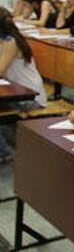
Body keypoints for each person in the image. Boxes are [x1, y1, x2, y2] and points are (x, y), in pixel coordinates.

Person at [0, 9, 47, 162]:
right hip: (13, 92)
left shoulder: (10, 41)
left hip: (29, 97)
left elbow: (0, 70)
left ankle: (3, 152)